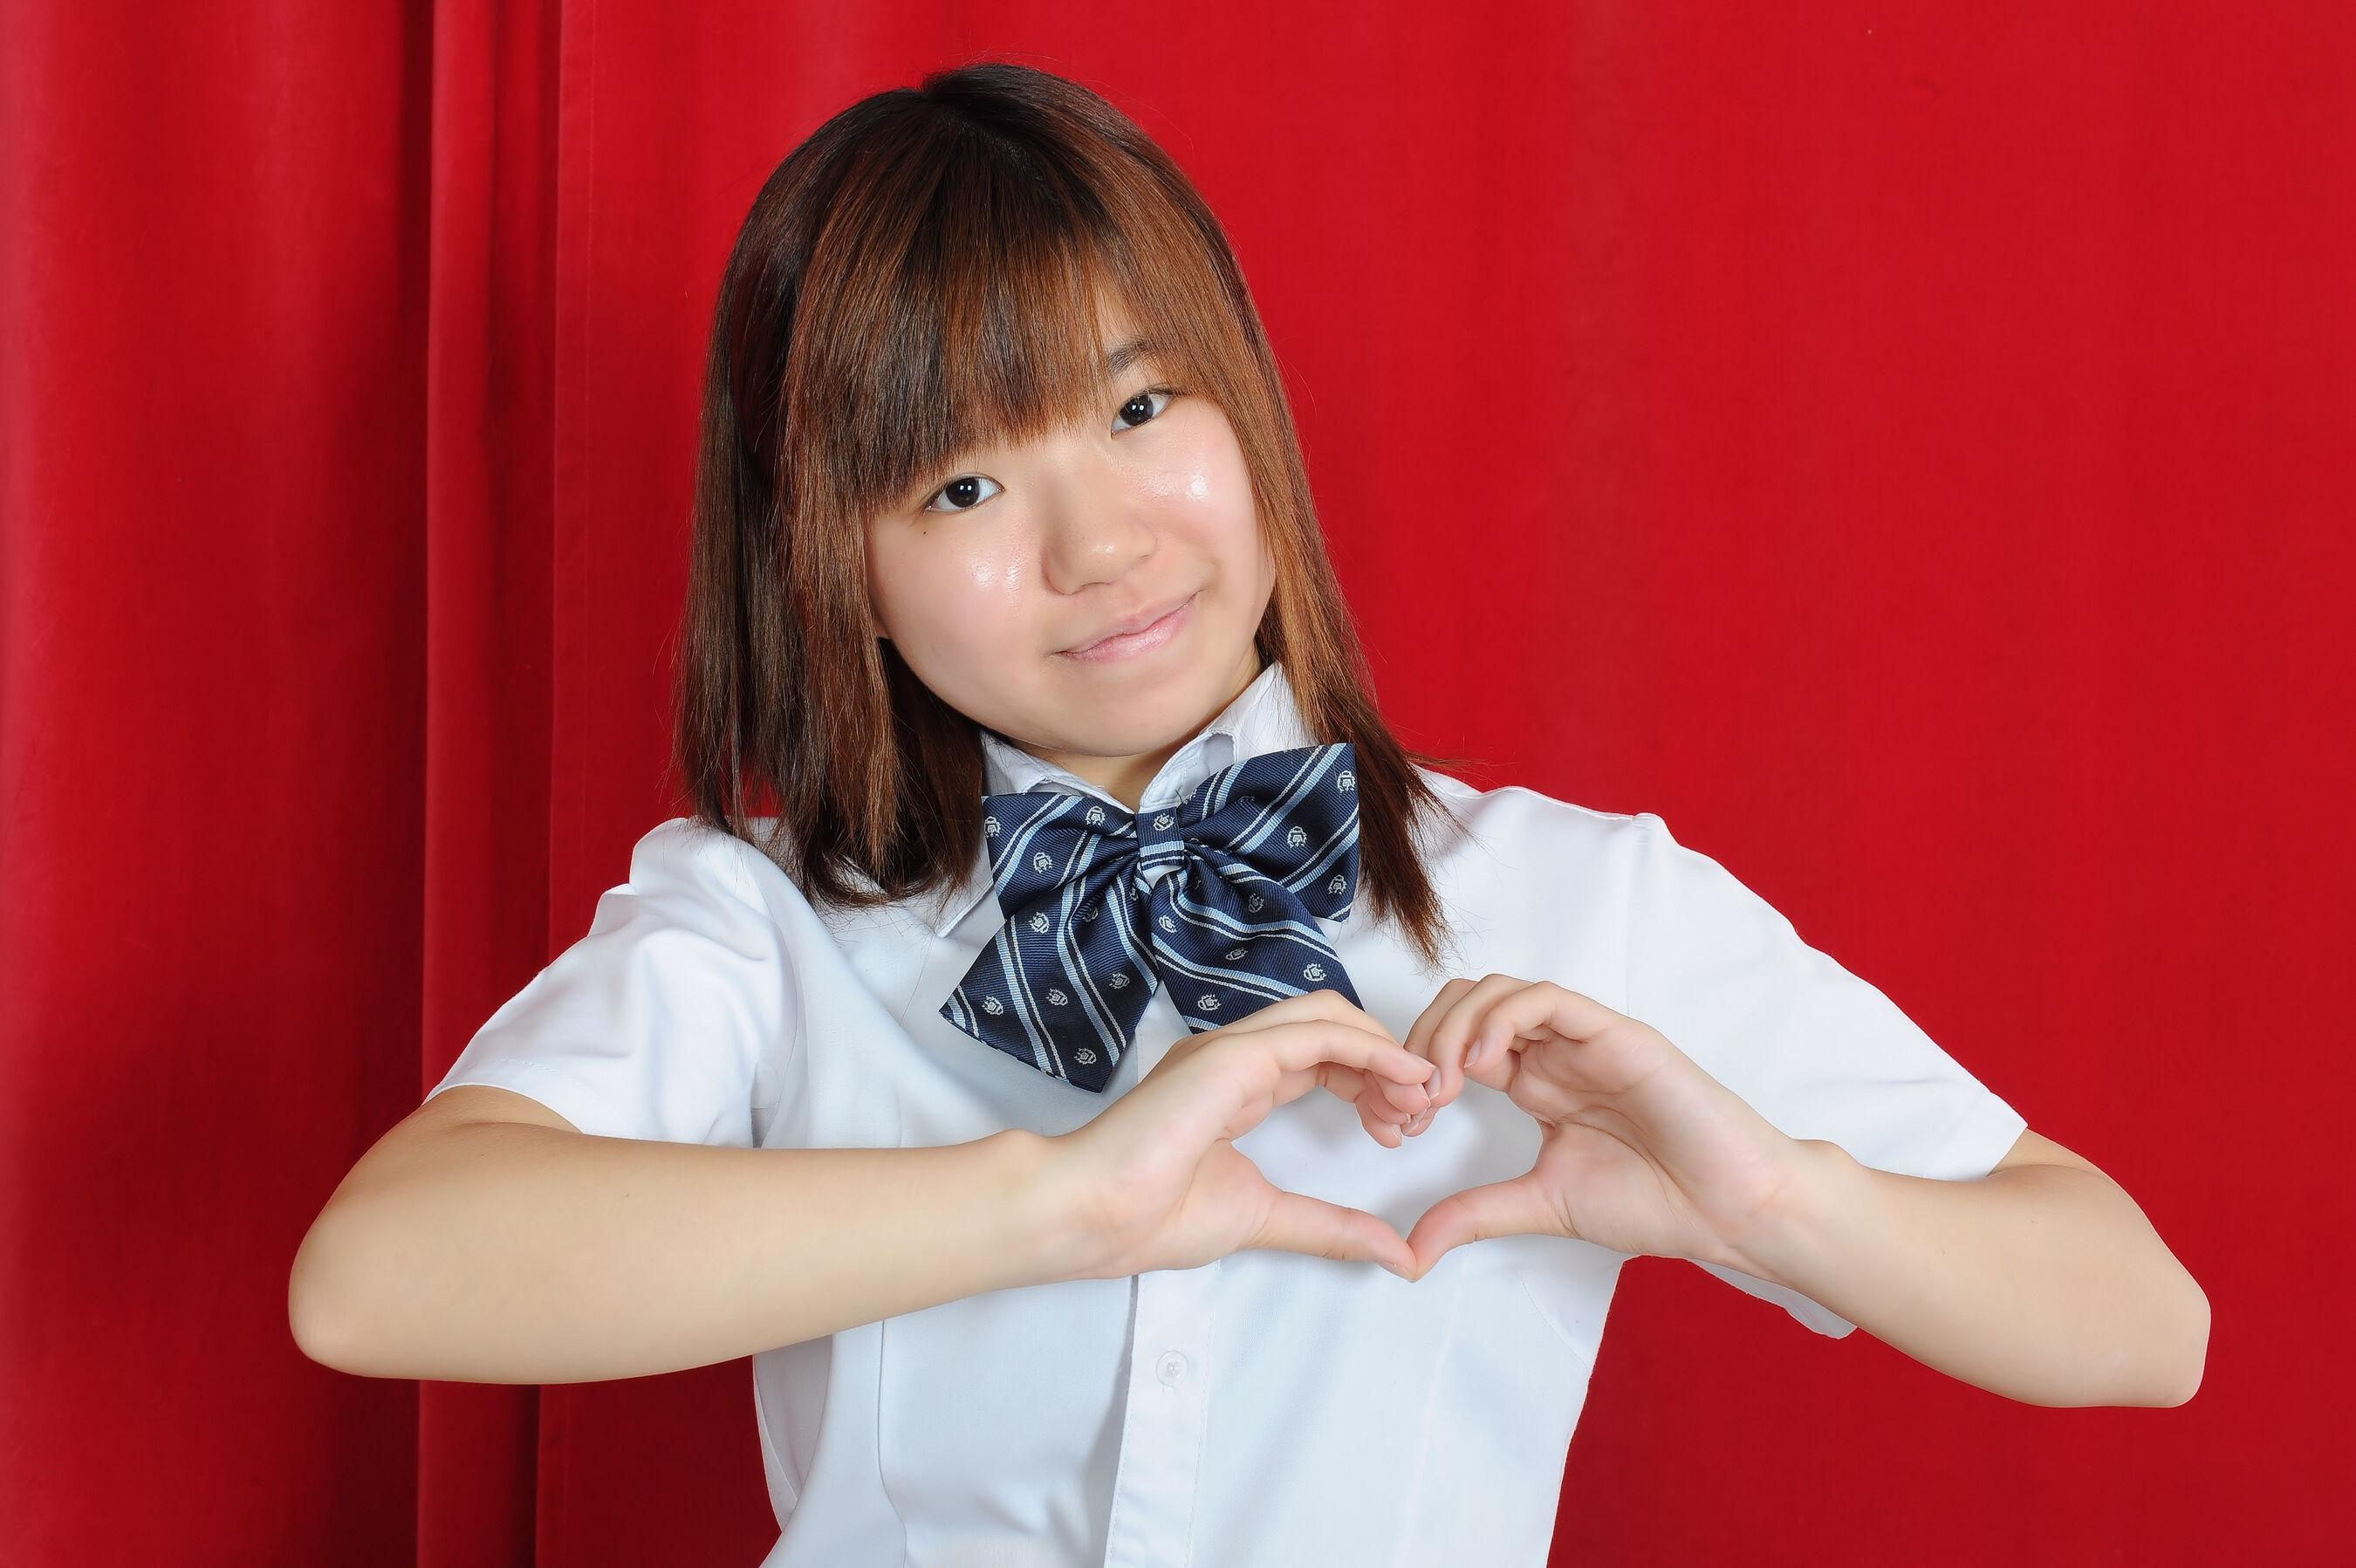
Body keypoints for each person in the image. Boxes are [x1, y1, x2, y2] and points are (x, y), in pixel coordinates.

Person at [290, 60, 2208, 1567]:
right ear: (831, 568)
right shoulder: (765, 922)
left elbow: (2142, 1320)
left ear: (1247, 411)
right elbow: (377, 1276)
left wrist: (1763, 1193)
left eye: (1141, 410)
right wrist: (1054, 1200)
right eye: (961, 486)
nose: (1099, 545)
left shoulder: (1574, 898)